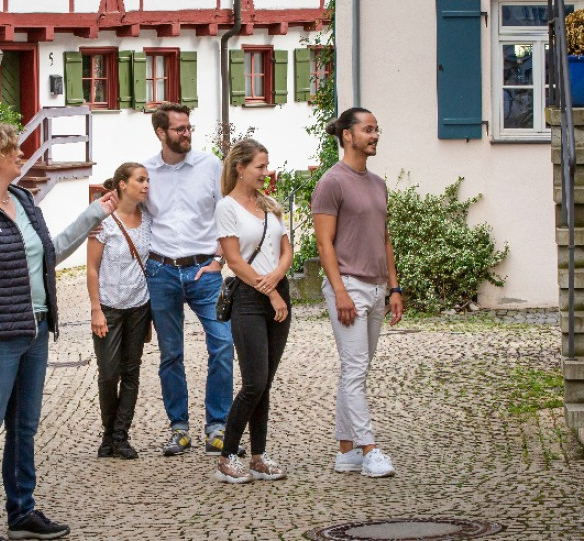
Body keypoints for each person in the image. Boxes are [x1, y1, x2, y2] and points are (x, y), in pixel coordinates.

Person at [0, 123, 118, 541]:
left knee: (24, 428)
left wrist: (95, 213)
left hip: (35, 327)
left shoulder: (22, 200)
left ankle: (21, 512)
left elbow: (51, 252)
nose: (21, 156)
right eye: (13, 151)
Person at [311, 107, 404, 479]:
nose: (375, 135)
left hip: (377, 287)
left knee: (357, 370)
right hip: (347, 285)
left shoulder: (377, 183)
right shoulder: (331, 182)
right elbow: (323, 243)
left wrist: (394, 287)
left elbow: (384, 239)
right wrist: (339, 292)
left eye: (377, 130)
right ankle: (370, 449)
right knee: (354, 369)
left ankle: (346, 452)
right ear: (347, 135)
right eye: (368, 129)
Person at [143, 102, 238, 457]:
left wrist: (220, 259)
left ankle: (217, 426)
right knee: (170, 353)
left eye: (188, 128)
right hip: (162, 270)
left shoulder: (211, 166)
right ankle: (178, 428)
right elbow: (136, 217)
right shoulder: (147, 172)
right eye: (179, 129)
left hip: (205, 272)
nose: (186, 134)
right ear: (161, 133)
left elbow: (227, 211)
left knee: (222, 345)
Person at [212, 139, 293, 483]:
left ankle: (258, 455)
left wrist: (278, 278)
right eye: (260, 166)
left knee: (265, 383)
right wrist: (272, 291)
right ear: (240, 168)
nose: (265, 172)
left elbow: (287, 250)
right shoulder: (226, 207)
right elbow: (234, 261)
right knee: (253, 382)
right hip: (248, 296)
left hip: (278, 290)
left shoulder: (270, 204)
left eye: (267, 165)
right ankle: (228, 456)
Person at [87, 162, 151, 460]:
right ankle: (108, 432)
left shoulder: (149, 219)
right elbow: (91, 269)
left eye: (148, 180)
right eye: (141, 180)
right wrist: (95, 309)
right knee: (108, 374)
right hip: (109, 307)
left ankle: (119, 437)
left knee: (131, 372)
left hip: (139, 307)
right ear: (123, 184)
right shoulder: (104, 222)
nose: (146, 185)